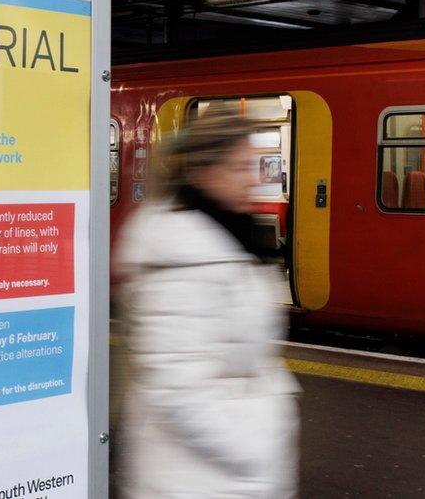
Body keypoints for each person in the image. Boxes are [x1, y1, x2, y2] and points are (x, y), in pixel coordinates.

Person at [115, 109, 300, 498]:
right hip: (193, 477)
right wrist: (256, 450)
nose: (254, 178)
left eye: (253, 165)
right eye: (239, 167)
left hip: (220, 472)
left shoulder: (222, 239)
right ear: (201, 172)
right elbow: (177, 388)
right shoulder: (179, 257)